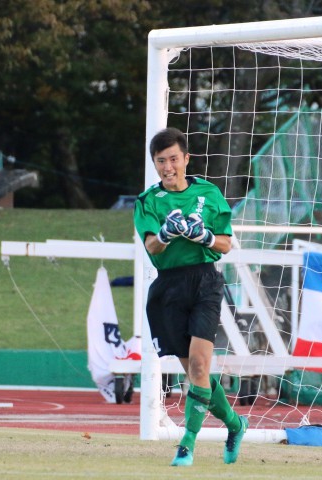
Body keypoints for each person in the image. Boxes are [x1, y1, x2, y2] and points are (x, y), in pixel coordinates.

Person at [133, 127, 248, 467]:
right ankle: (235, 425)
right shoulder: (147, 202)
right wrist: (167, 232)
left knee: (199, 365)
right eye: (160, 162)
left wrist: (205, 236)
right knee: (196, 375)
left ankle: (186, 445)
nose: (167, 167)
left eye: (172, 159)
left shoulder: (209, 194)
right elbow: (152, 247)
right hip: (168, 287)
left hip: (205, 283)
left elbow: (225, 244)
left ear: (186, 159)